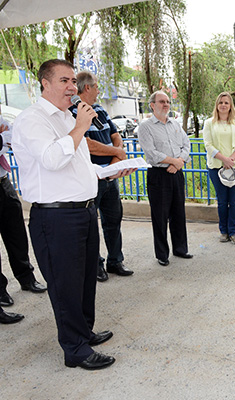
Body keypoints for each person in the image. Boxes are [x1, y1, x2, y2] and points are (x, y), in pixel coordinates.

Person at [11, 59, 131, 370]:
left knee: (85, 279)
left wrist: (109, 171)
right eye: (64, 80)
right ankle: (75, 349)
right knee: (65, 284)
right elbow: (52, 159)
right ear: (45, 84)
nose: (72, 87)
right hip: (56, 217)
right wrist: (80, 127)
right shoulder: (32, 120)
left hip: (84, 211)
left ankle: (84, 332)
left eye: (73, 81)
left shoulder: (67, 118)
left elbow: (78, 165)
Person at [70, 70, 133, 282]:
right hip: (91, 179)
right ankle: (95, 265)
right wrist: (117, 153)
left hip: (110, 177)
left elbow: (116, 136)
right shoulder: (73, 113)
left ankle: (115, 261)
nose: (98, 91)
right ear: (87, 87)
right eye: (96, 86)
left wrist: (114, 164)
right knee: (91, 225)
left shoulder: (99, 110)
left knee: (114, 220)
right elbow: (85, 144)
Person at [137, 91, 192, 266]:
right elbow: (151, 153)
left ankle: (180, 249)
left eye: (167, 101)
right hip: (158, 175)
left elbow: (187, 145)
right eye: (161, 101)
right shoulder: (145, 127)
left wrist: (179, 162)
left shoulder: (175, 124)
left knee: (179, 213)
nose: (166, 104)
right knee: (160, 216)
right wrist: (174, 161)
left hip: (177, 173)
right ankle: (162, 254)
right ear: (152, 105)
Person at [0, 106, 47, 310]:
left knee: (17, 234)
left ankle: (26, 278)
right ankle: (0, 291)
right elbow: (4, 140)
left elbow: (12, 136)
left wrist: (3, 138)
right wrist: (2, 138)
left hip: (4, 182)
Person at [202, 92, 235, 245]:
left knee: (234, 201)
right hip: (216, 167)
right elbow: (208, 145)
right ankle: (223, 231)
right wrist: (224, 160)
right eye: (221, 102)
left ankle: (234, 232)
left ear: (230, 105)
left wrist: (231, 159)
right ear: (217, 105)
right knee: (222, 201)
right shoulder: (209, 123)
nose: (223, 105)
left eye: (226, 103)